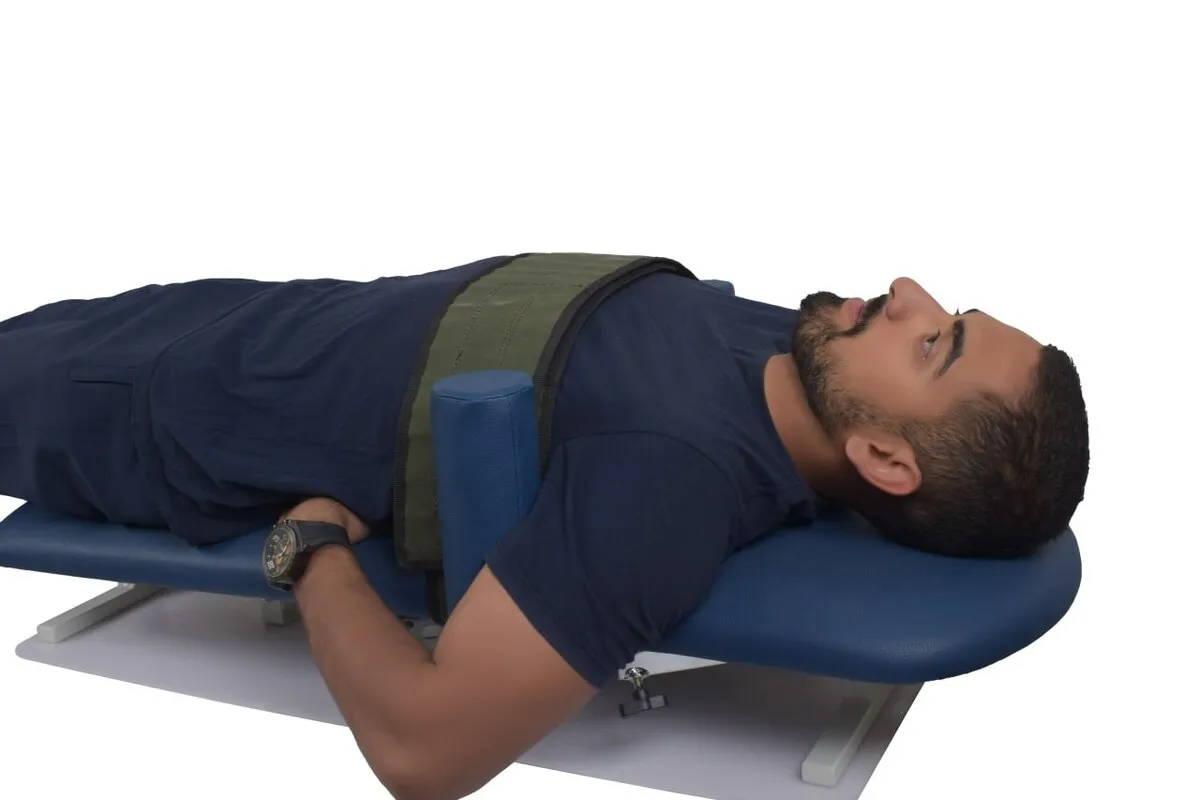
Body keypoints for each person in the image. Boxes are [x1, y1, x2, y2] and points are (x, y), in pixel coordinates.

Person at [0, 258, 1089, 799]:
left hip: (145, 408)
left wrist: (313, 549)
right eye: (949, 314)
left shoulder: (669, 484)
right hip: (261, 313)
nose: (905, 290)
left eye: (934, 344)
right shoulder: (801, 355)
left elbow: (426, 750)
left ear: (886, 460)